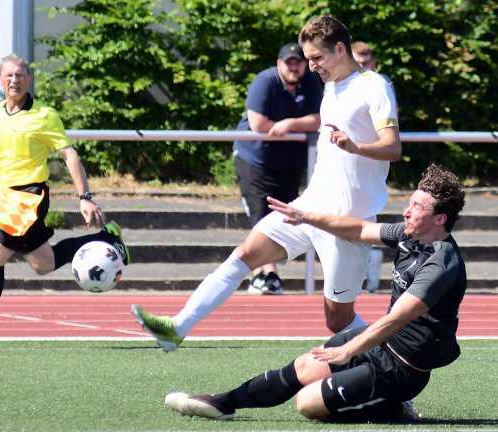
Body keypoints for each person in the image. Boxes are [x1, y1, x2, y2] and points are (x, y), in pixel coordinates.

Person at [131, 15, 401, 351]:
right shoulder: (330, 85)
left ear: (341, 48)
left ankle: (392, 359)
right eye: (308, 59)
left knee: (337, 321)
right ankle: (176, 328)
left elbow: (393, 148)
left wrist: (356, 147)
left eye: (317, 58)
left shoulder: (374, 85)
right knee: (244, 254)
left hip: (347, 222)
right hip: (308, 206)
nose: (312, 66)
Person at [164, 163, 467, 423]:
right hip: (381, 345)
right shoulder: (408, 235)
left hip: (402, 367)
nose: (406, 211)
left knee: (308, 404)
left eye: (417, 207)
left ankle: (392, 408)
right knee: (304, 367)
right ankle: (222, 403)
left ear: (440, 218)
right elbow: (357, 230)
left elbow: (397, 318)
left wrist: (350, 349)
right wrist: (306, 217)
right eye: (410, 202)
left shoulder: (442, 262)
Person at [0, 54, 130, 348]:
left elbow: (70, 155)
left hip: (30, 197)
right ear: (0, 80)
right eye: (9, 76)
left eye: (20, 75)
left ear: (28, 79)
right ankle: (107, 238)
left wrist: (85, 197)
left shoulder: (45, 115)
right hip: (6, 196)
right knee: (44, 264)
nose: (15, 80)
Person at [233, 42, 322, 295]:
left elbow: (320, 119)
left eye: (298, 62)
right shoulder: (265, 81)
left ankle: (267, 274)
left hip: (288, 162)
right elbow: (258, 123)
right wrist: (293, 125)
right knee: (261, 216)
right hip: (256, 160)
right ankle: (264, 274)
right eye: (289, 62)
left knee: (283, 216)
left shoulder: (310, 83)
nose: (294, 67)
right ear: (278, 63)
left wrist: (289, 124)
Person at [352, 41, 396, 293]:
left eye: (366, 63)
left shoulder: (380, 84)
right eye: (358, 63)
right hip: (344, 159)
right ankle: (362, 266)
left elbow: (389, 132)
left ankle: (367, 264)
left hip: (369, 158)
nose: (362, 68)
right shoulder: (337, 83)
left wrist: (359, 147)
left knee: (362, 215)